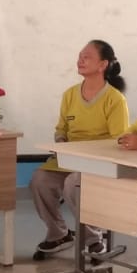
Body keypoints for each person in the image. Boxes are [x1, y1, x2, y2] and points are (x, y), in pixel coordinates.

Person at [31, 40, 129, 258]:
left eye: (87, 57)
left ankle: (94, 239)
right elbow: (61, 128)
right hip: (69, 159)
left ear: (103, 64)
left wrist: (86, 151)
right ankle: (58, 234)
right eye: (79, 56)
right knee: (40, 180)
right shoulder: (70, 94)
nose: (80, 60)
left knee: (72, 183)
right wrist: (60, 140)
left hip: (98, 164)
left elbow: (118, 141)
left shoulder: (115, 99)